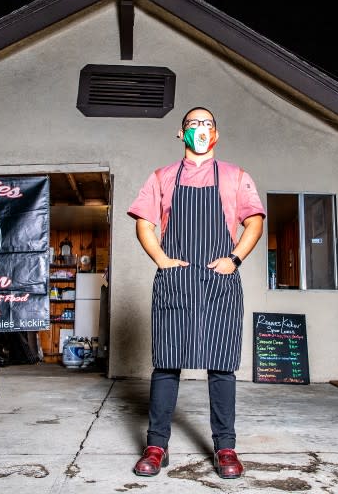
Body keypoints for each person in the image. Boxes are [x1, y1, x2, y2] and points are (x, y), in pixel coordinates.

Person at [127, 106, 265, 479]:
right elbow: (144, 222)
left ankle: (225, 447)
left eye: (207, 124)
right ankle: (156, 445)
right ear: (180, 132)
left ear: (216, 134)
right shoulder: (162, 176)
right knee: (166, 365)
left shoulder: (236, 177)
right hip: (177, 280)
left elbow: (253, 222)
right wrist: (161, 259)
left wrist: (234, 259)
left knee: (222, 366)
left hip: (220, 280)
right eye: (193, 124)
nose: (200, 129)